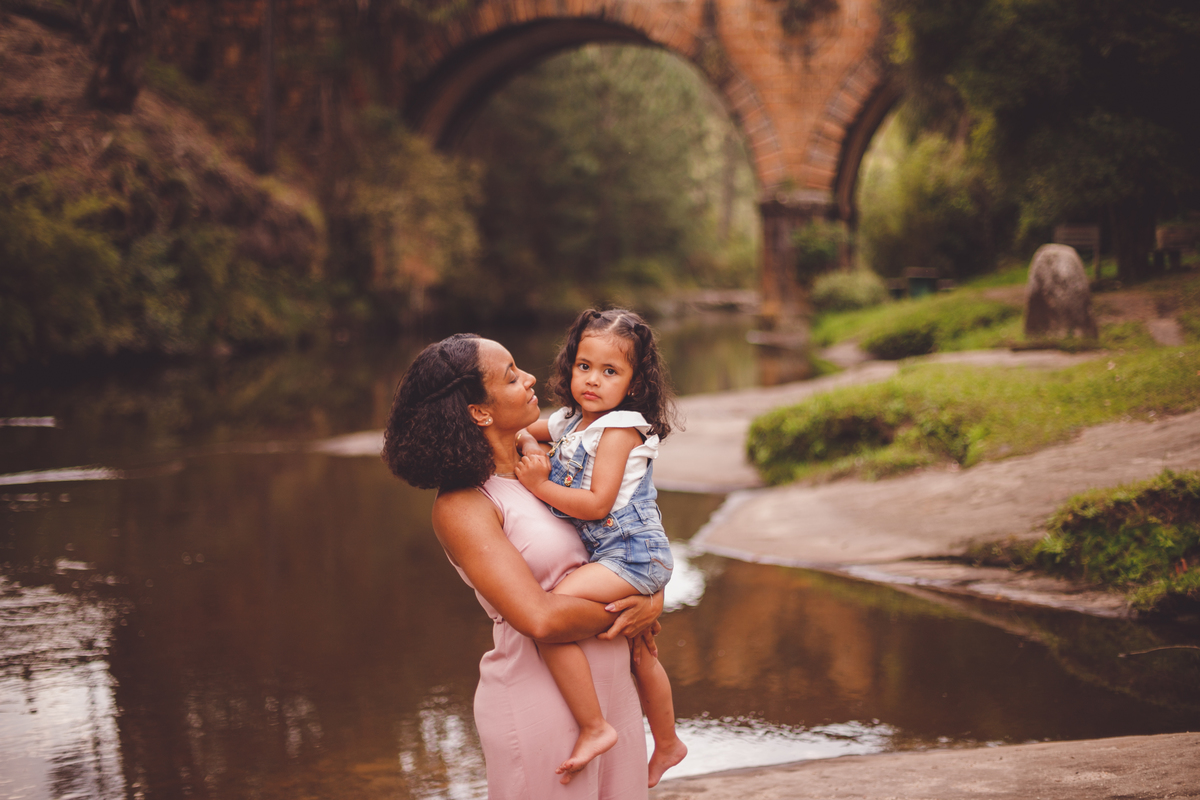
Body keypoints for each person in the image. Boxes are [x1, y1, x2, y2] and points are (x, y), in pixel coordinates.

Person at [381, 333, 663, 799]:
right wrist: (632, 614)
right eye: (512, 376)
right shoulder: (464, 505)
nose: (531, 378)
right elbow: (540, 618)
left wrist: (652, 595)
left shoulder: (554, 464)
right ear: (479, 411)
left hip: (614, 692)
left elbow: (629, 542)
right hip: (541, 700)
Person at [514, 308, 688, 788]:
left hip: (633, 554)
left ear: (633, 384)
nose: (592, 380)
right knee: (641, 652)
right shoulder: (571, 420)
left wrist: (539, 485)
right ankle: (669, 743)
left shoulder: (619, 429)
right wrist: (528, 448)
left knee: (550, 611)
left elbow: (595, 504)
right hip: (617, 554)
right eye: (584, 366)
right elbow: (520, 432)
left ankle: (595, 726)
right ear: (570, 366)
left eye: (610, 371)